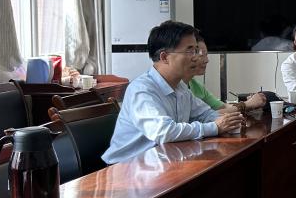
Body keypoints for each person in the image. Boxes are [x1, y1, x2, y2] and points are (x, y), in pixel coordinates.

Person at [102, 20, 244, 165]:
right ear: (164, 57)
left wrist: (230, 121)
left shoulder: (180, 87)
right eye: (189, 51)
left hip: (161, 161)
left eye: (196, 50)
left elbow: (204, 114)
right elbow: (164, 132)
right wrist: (215, 127)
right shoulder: (142, 90)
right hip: (127, 167)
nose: (196, 57)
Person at [188, 37, 266, 112]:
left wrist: (250, 104)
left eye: (206, 55)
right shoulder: (182, 89)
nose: (207, 60)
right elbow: (208, 115)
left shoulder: (195, 85)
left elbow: (222, 107)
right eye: (201, 55)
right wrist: (246, 105)